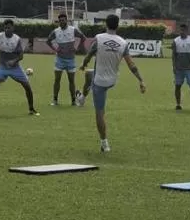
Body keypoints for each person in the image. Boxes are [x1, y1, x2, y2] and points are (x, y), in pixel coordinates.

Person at [80, 13, 146, 153]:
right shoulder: (123, 42)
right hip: (112, 80)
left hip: (100, 82)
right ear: (118, 25)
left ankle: (104, 143)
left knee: (100, 113)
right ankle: (81, 97)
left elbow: (89, 55)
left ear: (106, 24)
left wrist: (83, 64)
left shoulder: (99, 38)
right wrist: (141, 80)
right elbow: (131, 64)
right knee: (89, 75)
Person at [47, 13, 86, 106]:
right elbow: (48, 41)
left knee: (71, 81)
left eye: (63, 20)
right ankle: (55, 100)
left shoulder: (73, 30)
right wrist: (55, 49)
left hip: (71, 60)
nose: (61, 22)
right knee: (57, 80)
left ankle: (73, 101)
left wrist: (77, 47)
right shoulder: (56, 31)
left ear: (67, 21)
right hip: (59, 60)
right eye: (59, 21)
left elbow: (83, 37)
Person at [171, 23, 190, 111]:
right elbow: (173, 55)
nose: (181, 32)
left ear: (187, 31)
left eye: (183, 30)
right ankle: (178, 104)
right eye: (180, 30)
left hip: (189, 69)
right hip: (179, 68)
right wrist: (174, 66)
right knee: (177, 86)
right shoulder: (175, 41)